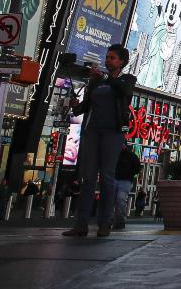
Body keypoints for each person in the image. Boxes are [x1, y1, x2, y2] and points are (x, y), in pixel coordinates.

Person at [64, 44, 135, 238]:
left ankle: (105, 223)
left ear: (121, 62)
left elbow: (123, 91)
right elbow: (87, 106)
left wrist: (104, 77)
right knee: (88, 178)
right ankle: (81, 224)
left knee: (107, 177)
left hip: (113, 132)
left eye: (112, 58)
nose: (108, 61)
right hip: (92, 131)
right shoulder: (97, 82)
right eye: (107, 57)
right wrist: (76, 107)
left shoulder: (126, 79)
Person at [114, 143, 142, 229]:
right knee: (118, 200)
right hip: (120, 179)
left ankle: (119, 220)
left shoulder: (130, 156)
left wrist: (130, 173)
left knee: (120, 199)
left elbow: (137, 168)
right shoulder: (130, 155)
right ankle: (116, 220)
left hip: (124, 180)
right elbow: (138, 168)